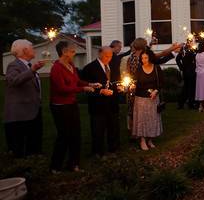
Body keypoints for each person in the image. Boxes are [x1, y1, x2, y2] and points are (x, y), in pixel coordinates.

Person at [49, 41, 98, 172]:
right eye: (72, 51)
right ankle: (55, 166)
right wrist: (83, 89)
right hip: (60, 106)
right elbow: (62, 89)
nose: (74, 53)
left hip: (71, 104)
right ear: (64, 52)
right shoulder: (56, 68)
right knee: (64, 135)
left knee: (76, 134)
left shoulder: (70, 64)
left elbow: (77, 81)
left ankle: (73, 163)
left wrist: (90, 84)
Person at [126, 38, 179, 129]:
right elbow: (160, 55)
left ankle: (133, 131)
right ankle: (144, 130)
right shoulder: (144, 58)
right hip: (142, 88)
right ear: (143, 46)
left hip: (132, 86)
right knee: (144, 111)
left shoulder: (130, 57)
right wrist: (173, 48)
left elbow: (127, 71)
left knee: (132, 110)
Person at [3, 39, 44, 157]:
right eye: (32, 47)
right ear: (25, 50)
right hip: (21, 115)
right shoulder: (14, 65)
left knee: (34, 145)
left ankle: (34, 165)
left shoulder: (28, 65)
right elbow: (13, 81)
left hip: (33, 111)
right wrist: (32, 70)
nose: (33, 49)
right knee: (21, 148)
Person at [81, 47, 120, 157]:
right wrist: (100, 91)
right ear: (100, 54)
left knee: (113, 127)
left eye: (111, 56)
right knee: (98, 129)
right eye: (106, 56)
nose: (109, 58)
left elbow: (116, 81)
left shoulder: (112, 66)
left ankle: (112, 149)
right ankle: (98, 151)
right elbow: (85, 87)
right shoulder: (90, 68)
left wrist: (120, 87)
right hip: (97, 105)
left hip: (112, 104)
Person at [132, 52, 165, 151]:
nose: (143, 60)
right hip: (141, 99)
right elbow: (134, 82)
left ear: (150, 58)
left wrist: (156, 90)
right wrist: (132, 86)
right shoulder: (139, 69)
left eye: (145, 58)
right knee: (142, 120)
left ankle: (150, 139)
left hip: (153, 99)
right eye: (142, 58)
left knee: (152, 119)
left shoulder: (156, 68)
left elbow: (162, 82)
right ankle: (142, 140)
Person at [176, 42, 198, 109]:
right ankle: (190, 104)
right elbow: (177, 59)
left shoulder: (184, 50)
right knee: (190, 88)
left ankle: (182, 104)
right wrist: (181, 68)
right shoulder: (189, 51)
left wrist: (181, 68)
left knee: (186, 88)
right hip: (190, 72)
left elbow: (177, 59)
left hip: (187, 71)